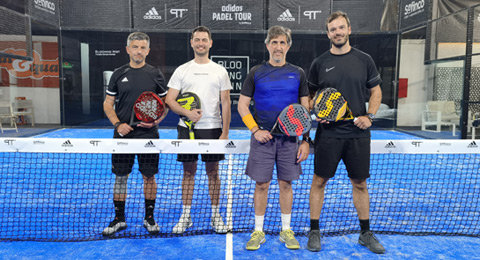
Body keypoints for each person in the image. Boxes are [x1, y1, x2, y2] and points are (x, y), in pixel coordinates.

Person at [306, 11, 385, 254]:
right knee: (319, 181)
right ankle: (314, 231)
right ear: (327, 33)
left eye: (341, 28)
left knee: (359, 183)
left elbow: (376, 92)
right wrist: (316, 111)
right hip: (328, 134)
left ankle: (365, 233)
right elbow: (309, 99)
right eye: (333, 29)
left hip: (357, 134)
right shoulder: (319, 63)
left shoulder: (364, 60)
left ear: (349, 30)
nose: (337, 32)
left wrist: (369, 116)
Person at [237, 25, 310, 251]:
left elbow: (305, 108)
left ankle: (286, 230)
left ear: (288, 46)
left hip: (289, 140)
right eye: (274, 42)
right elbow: (242, 106)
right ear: (267, 45)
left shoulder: (298, 73)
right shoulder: (256, 72)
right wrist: (255, 130)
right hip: (263, 140)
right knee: (261, 185)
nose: (278, 47)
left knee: (286, 184)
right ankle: (258, 231)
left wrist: (305, 140)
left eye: (282, 42)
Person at [165, 26, 232, 234]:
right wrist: (187, 113)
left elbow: (226, 102)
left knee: (213, 172)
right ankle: (185, 216)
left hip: (212, 129)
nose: (200, 43)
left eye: (204, 39)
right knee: (188, 172)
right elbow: (169, 100)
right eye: (197, 40)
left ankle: (215, 215)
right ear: (192, 43)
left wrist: (225, 132)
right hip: (186, 129)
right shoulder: (182, 70)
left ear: (210, 43)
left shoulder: (220, 70)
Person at [102, 32, 168, 236]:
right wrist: (117, 124)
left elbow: (164, 104)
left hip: (148, 137)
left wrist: (157, 120)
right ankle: (119, 219)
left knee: (149, 176)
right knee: (121, 177)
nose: (138, 51)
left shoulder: (155, 74)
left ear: (147, 51)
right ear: (127, 49)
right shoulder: (118, 73)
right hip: (123, 136)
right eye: (135, 47)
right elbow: (108, 103)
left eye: (142, 47)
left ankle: (149, 218)